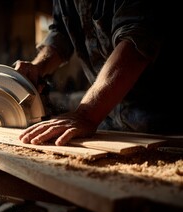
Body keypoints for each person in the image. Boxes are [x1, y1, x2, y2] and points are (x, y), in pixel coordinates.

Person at [14, 0, 180, 146]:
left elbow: (136, 41)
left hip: (165, 125)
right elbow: (61, 33)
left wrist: (85, 115)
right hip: (109, 121)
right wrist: (37, 68)